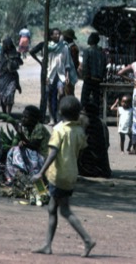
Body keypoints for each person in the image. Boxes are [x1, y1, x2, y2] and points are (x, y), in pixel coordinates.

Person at [32, 96, 96, 258]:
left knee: (65, 211)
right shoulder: (79, 131)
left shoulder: (59, 130)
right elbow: (80, 152)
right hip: (70, 175)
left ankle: (87, 239)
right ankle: (47, 244)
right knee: (52, 208)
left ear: (59, 112)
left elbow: (53, 153)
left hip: (58, 175)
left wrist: (40, 172)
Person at [30, 28, 73, 124]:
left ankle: (58, 114)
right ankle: (51, 118)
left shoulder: (65, 47)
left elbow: (67, 63)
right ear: (51, 36)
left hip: (60, 75)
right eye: (55, 34)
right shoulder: (47, 47)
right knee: (49, 96)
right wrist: (44, 73)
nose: (57, 36)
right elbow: (46, 62)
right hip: (50, 75)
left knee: (61, 93)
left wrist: (67, 75)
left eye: (59, 34)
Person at [4, 105, 50, 183]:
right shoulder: (26, 128)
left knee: (17, 150)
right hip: (35, 157)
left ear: (33, 119)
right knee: (14, 150)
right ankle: (16, 174)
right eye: (22, 117)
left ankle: (27, 175)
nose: (22, 119)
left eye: (26, 117)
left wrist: (21, 136)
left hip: (44, 159)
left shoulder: (39, 127)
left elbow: (34, 146)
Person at [77, 103, 111, 178]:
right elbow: (107, 144)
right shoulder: (102, 123)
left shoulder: (82, 120)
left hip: (86, 168)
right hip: (103, 169)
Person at [80, 32, 107, 110]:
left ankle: (83, 113)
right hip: (98, 79)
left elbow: (85, 64)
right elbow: (104, 66)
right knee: (96, 99)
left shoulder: (87, 51)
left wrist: (85, 76)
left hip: (89, 79)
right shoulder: (102, 52)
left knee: (84, 98)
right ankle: (95, 115)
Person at [0, 37, 23, 114]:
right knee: (2, 96)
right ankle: (4, 112)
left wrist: (15, 58)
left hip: (12, 77)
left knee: (10, 94)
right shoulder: (0, 53)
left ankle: (9, 113)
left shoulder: (14, 52)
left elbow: (19, 63)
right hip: (2, 76)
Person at [62, 29, 80, 97]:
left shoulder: (72, 48)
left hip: (69, 73)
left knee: (69, 93)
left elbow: (73, 63)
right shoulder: (70, 47)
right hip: (68, 73)